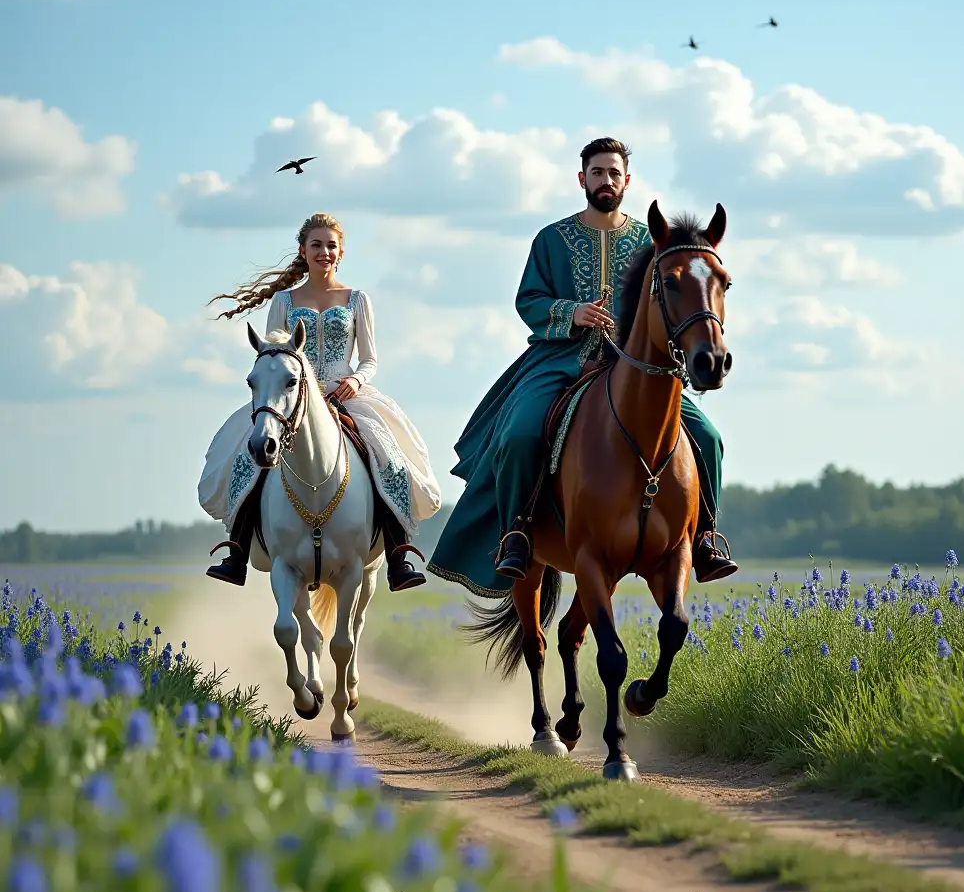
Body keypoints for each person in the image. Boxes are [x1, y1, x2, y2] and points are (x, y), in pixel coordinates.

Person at [426, 138, 737, 597]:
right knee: (519, 434)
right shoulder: (551, 239)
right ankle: (517, 533)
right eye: (597, 172)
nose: (605, 181)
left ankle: (705, 536)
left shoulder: (653, 245)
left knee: (708, 436)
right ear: (582, 179)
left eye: (614, 173)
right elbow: (528, 299)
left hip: (633, 368)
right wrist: (571, 312)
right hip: (560, 359)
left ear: (627, 181)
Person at [197, 211, 442, 591]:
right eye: (317, 245)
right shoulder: (283, 300)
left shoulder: (357, 299)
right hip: (293, 397)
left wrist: (356, 381)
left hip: (345, 394)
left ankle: (398, 557)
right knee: (246, 460)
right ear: (303, 250)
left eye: (331, 246)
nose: (324, 252)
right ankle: (237, 553)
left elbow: (370, 358)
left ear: (340, 253)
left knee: (387, 457)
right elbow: (273, 354)